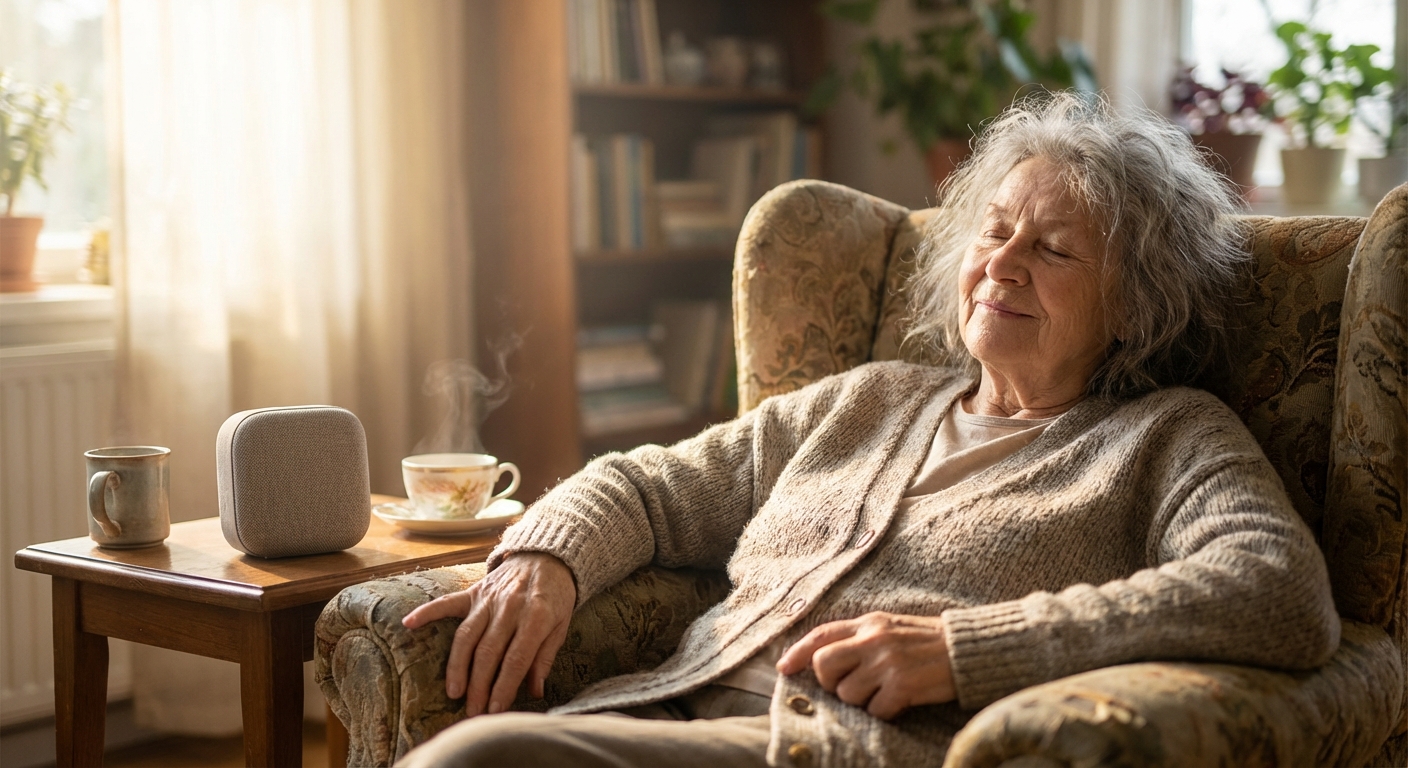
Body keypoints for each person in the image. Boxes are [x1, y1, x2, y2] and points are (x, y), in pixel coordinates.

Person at [396, 93, 1340, 768]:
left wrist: (968, 650)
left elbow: (1279, 591)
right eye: (995, 231)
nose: (1002, 265)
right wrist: (546, 558)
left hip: (828, 750)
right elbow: (653, 485)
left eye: (1053, 248)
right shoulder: (871, 400)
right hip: (671, 715)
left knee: (479, 761)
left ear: (1134, 305)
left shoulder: (1166, 436)